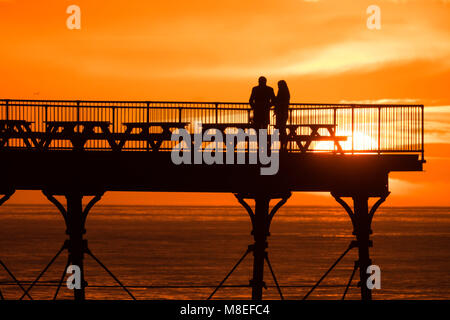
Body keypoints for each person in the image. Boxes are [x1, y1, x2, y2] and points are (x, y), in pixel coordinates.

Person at [274, 80, 290, 150]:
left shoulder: (282, 92)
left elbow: (278, 101)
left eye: (279, 85)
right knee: (282, 130)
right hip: (283, 113)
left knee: (282, 130)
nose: (278, 86)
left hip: (281, 113)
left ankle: (283, 145)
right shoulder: (286, 92)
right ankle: (283, 145)